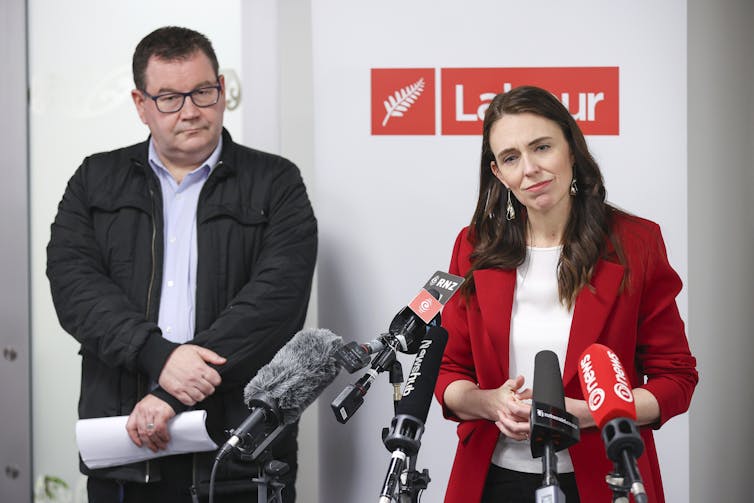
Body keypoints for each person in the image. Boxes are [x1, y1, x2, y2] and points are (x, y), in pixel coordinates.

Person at [46, 26, 317, 503]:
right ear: (140, 103)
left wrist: (171, 392)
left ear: (222, 89)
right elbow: (75, 287)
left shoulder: (276, 182)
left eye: (203, 91)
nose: (191, 110)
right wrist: (158, 356)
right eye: (169, 97)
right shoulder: (95, 180)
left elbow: (275, 304)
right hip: (126, 452)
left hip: (238, 456)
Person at [434, 85, 698, 503]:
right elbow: (449, 372)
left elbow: (675, 378)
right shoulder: (473, 246)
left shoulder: (636, 243)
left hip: (603, 478)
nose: (530, 169)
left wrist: (593, 413)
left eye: (542, 147)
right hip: (492, 481)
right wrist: (490, 403)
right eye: (511, 157)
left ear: (572, 150)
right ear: (499, 173)